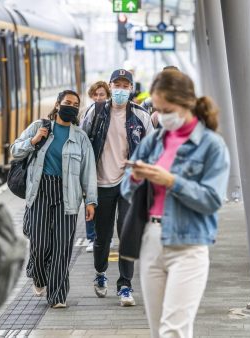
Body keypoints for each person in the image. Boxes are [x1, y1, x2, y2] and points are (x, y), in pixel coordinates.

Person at [121, 70, 230, 338]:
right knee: (158, 331)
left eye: (166, 109)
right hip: (151, 241)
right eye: (156, 109)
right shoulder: (153, 141)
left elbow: (212, 200)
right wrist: (135, 176)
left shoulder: (211, 145)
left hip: (188, 244)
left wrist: (172, 181)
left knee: (173, 331)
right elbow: (125, 189)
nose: (160, 116)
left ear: (186, 104)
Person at [11, 90, 97, 308]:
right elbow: (14, 151)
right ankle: (39, 276)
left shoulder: (80, 137)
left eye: (76, 104)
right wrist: (33, 140)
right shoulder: (39, 126)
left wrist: (90, 201)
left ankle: (58, 295)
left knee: (62, 247)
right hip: (40, 191)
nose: (71, 107)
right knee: (39, 243)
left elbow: (88, 172)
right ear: (58, 104)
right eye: (67, 102)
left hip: (67, 196)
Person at [81, 69, 153, 306]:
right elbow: (83, 143)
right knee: (102, 236)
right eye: (117, 84)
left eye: (125, 85)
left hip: (128, 183)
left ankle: (125, 285)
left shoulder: (141, 116)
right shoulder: (96, 111)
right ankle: (100, 273)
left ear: (131, 88)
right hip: (101, 182)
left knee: (127, 234)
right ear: (110, 86)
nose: (121, 89)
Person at [84, 81, 111, 253]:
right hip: (92, 164)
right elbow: (83, 135)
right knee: (90, 201)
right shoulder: (90, 112)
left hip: (109, 166)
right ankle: (91, 237)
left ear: (108, 96)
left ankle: (105, 237)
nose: (99, 97)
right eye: (96, 95)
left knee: (106, 206)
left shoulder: (113, 113)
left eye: (102, 94)